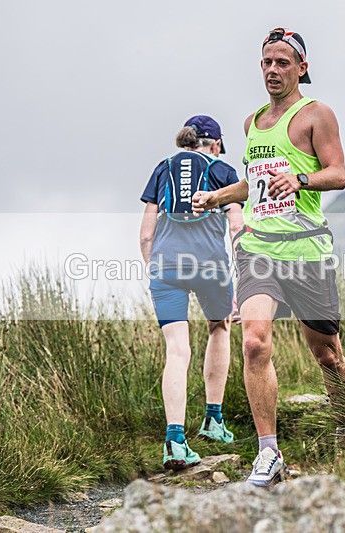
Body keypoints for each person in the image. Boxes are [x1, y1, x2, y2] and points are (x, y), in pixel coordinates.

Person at [193, 28, 345, 487]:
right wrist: (217, 195)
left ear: (301, 67)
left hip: (307, 252)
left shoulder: (316, 114)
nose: (272, 70)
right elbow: (254, 184)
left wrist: (300, 180)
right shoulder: (252, 122)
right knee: (255, 341)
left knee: (325, 354)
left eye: (282, 62)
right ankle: (269, 453)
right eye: (266, 62)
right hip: (259, 248)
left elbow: (338, 173)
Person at [139, 115, 244, 470]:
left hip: (166, 268)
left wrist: (154, 267)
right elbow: (236, 225)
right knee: (219, 327)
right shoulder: (222, 170)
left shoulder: (162, 168)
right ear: (213, 144)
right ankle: (213, 421)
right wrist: (242, 275)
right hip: (211, 268)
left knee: (176, 349)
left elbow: (145, 234)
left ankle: (174, 442)